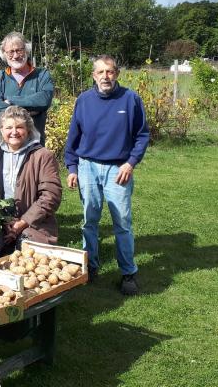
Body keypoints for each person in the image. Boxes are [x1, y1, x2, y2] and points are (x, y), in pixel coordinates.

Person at [65, 55, 149, 296]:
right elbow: (74, 136)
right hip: (87, 166)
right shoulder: (84, 100)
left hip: (118, 169)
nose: (105, 77)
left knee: (122, 222)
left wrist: (131, 163)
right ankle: (90, 266)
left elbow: (142, 135)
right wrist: (72, 168)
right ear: (93, 75)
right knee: (90, 219)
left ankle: (128, 273)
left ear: (117, 74)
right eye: (100, 72)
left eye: (110, 72)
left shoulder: (130, 99)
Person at [0, 106, 62, 261]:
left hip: (34, 223)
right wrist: (2, 219)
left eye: (19, 127)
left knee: (30, 261)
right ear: (1, 130)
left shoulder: (42, 156)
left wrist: (22, 222)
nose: (14, 132)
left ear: (28, 130)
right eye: (8, 127)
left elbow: (50, 195)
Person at [0, 32, 54, 146]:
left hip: (33, 145)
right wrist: (31, 112)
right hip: (2, 146)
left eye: (19, 50)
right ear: (4, 54)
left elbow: (44, 100)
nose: (16, 55)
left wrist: (11, 101)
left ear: (26, 50)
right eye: (11, 52)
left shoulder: (42, 75)